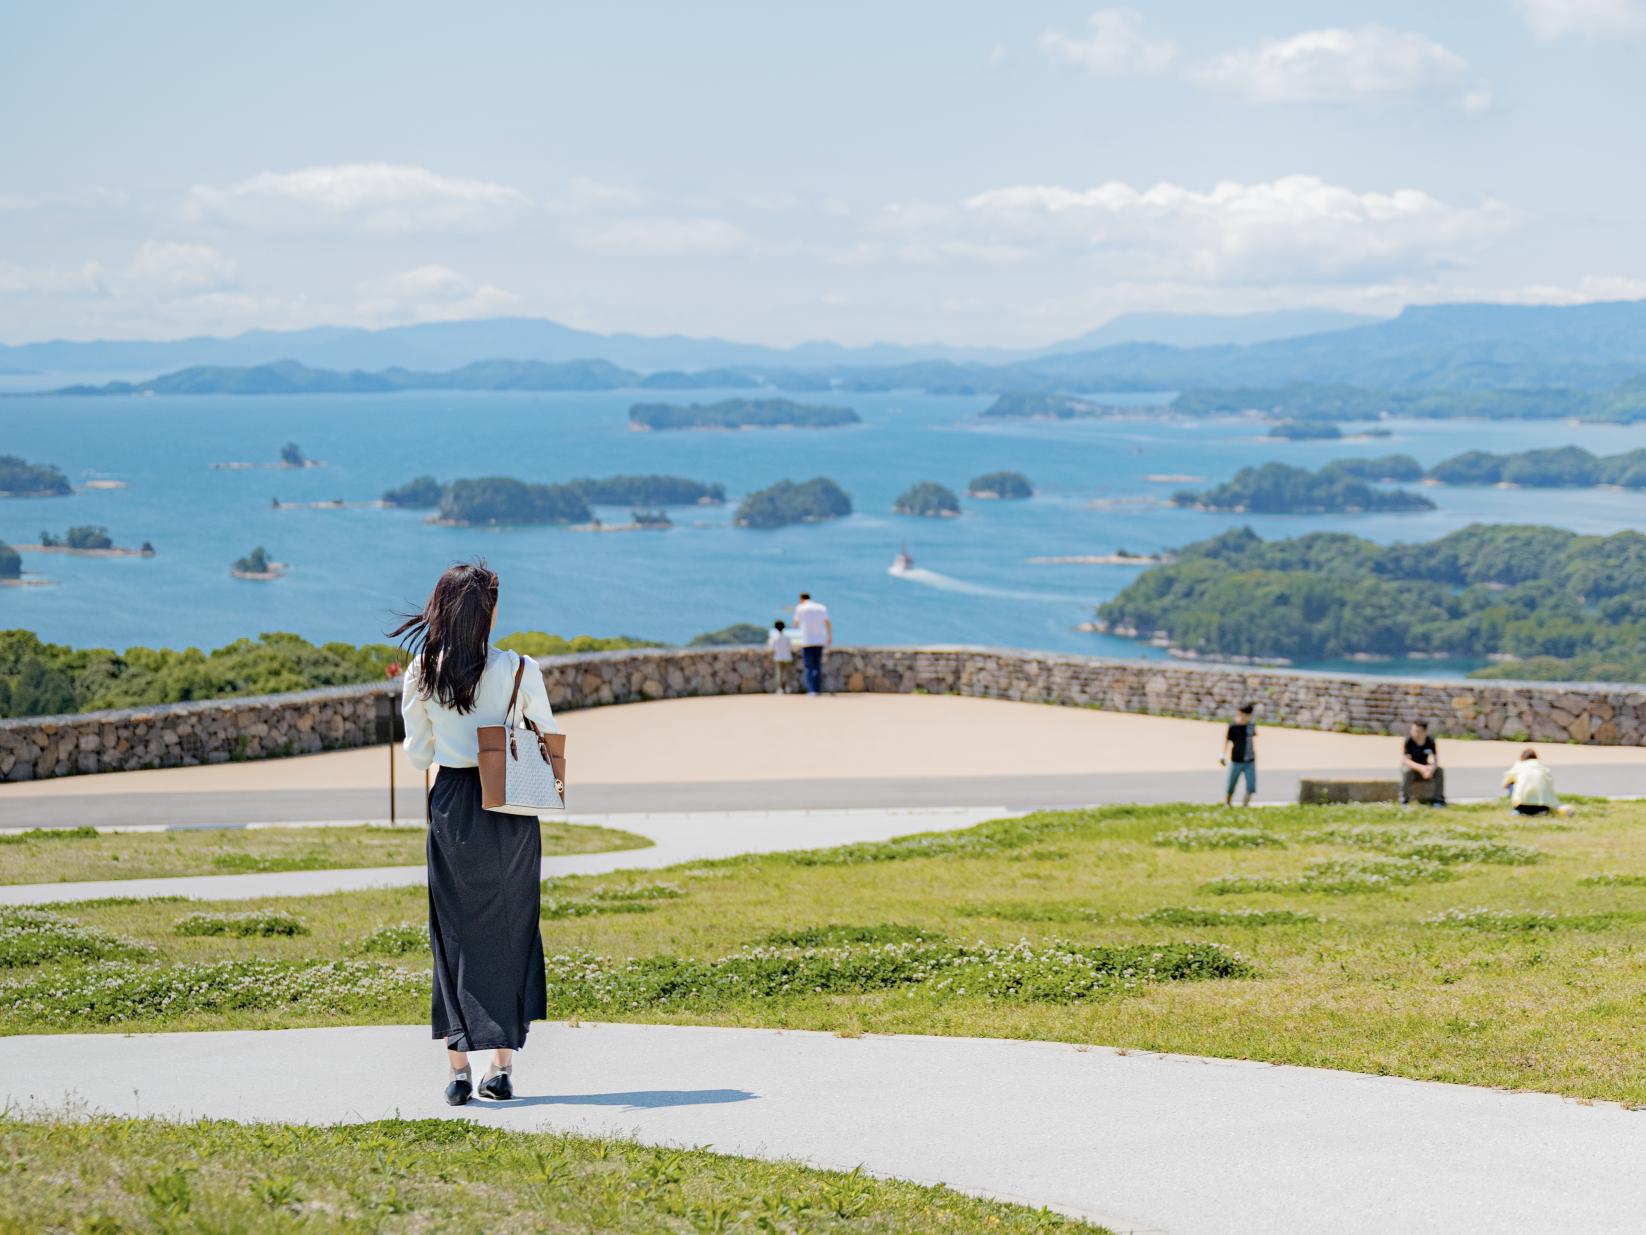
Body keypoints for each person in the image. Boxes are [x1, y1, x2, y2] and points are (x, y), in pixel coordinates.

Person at [393, 561, 555, 1107]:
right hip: (508, 802)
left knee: (453, 932)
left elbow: (419, 754)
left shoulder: (422, 670)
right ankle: (502, 1067)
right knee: (511, 928)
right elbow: (547, 733)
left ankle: (458, 1069)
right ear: (487, 610)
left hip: (453, 804)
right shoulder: (518, 668)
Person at [1502, 748, 1568, 815]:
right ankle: (1542, 811)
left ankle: (1518, 809)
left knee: (1511, 783)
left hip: (1523, 805)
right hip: (1543, 804)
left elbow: (1505, 784)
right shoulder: (1543, 768)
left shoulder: (1519, 766)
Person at [792, 591, 832, 696]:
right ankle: (817, 689)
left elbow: (795, 624)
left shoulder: (800, 608)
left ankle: (811, 690)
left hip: (807, 641)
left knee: (809, 666)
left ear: (801, 599)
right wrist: (829, 637)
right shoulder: (821, 607)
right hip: (819, 640)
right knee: (817, 666)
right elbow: (827, 623)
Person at [1400, 720, 1445, 806]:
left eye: (1418, 731)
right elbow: (1405, 760)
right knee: (1406, 771)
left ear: (1425, 732)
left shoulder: (1430, 741)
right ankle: (1404, 801)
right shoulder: (1409, 741)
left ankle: (1439, 800)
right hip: (1413, 768)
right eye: (1413, 730)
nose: (1415, 733)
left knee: (1439, 771)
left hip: (1426, 769)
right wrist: (1421, 768)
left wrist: (1431, 769)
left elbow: (1435, 759)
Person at [1221, 703, 1257, 807]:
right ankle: (1227, 803)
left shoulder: (1251, 726)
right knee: (1231, 784)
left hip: (1250, 760)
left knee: (1251, 786)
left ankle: (1245, 806)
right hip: (1236, 760)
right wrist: (1223, 754)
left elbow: (1252, 739)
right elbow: (1227, 740)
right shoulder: (1233, 727)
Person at [768, 618, 795, 693]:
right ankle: (788, 687)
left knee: (779, 674)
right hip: (787, 657)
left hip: (778, 657)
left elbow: (771, 647)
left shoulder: (774, 637)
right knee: (787, 673)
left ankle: (779, 688)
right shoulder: (787, 637)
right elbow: (790, 646)